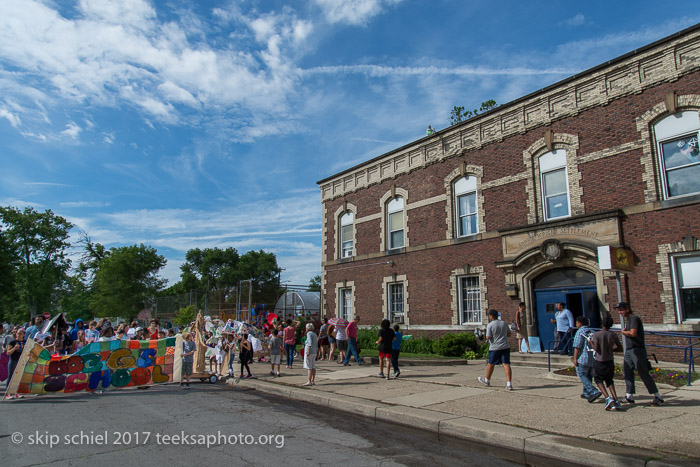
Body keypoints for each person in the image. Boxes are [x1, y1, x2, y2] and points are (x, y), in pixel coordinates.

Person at [617, 302, 664, 406]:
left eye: (621, 310)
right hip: (629, 350)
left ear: (627, 309)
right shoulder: (628, 320)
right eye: (619, 310)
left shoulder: (634, 319)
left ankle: (657, 396)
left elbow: (633, 333)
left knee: (643, 372)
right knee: (627, 371)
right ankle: (629, 396)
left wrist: (624, 332)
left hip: (637, 350)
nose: (620, 312)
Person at [589, 315, 622, 411]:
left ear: (602, 323)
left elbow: (596, 348)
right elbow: (619, 347)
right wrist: (610, 349)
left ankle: (607, 398)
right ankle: (616, 399)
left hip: (600, 360)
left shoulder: (597, 335)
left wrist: (590, 342)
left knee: (598, 379)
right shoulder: (613, 335)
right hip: (609, 361)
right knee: (609, 380)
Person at [478, 309, 513, 390]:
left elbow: (488, 337)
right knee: (506, 364)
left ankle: (487, 380)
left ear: (491, 316)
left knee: (491, 363)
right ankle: (509, 383)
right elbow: (509, 334)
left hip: (494, 347)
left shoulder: (490, 325)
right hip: (505, 346)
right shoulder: (504, 323)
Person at [572, 316, 602, 403]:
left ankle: (593, 391)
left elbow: (577, 346)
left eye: (576, 323)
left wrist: (575, 358)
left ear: (580, 323)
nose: (576, 324)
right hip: (592, 357)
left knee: (581, 374)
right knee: (588, 375)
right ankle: (586, 393)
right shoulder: (592, 331)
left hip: (583, 357)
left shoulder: (580, 332)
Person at [6, 329, 26, 399]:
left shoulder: (25, 342)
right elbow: (8, 353)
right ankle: (8, 393)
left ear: (23, 335)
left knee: (19, 377)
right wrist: (14, 348)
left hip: (21, 360)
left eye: (21, 333)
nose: (19, 335)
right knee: (11, 376)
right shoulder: (12, 342)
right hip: (13, 360)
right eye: (18, 333)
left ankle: (16, 392)